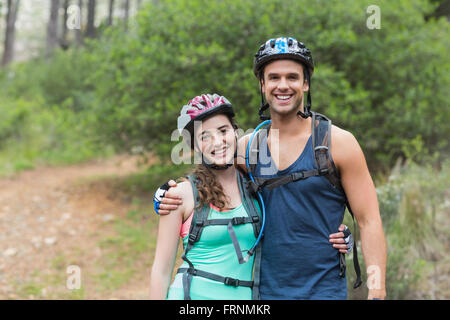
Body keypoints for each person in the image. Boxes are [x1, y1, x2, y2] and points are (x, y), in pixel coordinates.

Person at [155, 37, 387, 300]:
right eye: (274, 78)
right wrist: (164, 195)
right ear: (262, 85)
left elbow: (369, 221)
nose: (283, 85)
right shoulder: (246, 148)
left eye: (293, 77)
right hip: (263, 293)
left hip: (324, 291)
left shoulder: (338, 144)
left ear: (306, 83)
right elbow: (204, 184)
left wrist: (377, 291)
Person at [149, 93, 350, 300]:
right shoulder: (180, 195)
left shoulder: (255, 185)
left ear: (236, 132)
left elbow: (295, 212)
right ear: (195, 146)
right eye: (204, 137)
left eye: (223, 130)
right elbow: (161, 270)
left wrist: (340, 233)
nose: (217, 142)